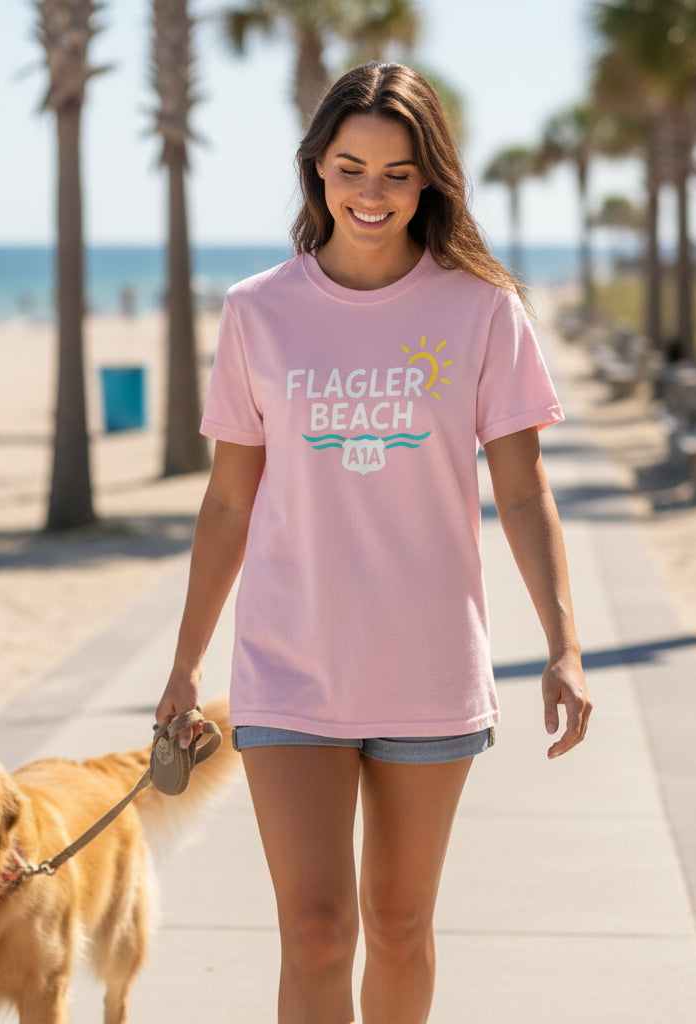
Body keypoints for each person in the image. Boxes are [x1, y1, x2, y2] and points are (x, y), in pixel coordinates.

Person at [155, 61, 592, 1024]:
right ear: (317, 171)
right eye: (351, 167)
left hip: (427, 667)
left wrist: (563, 644)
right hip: (290, 663)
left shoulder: (481, 310)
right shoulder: (256, 312)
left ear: (430, 179)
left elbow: (523, 492)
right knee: (315, 932)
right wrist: (186, 664)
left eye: (398, 173)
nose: (372, 193)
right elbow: (230, 502)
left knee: (398, 927)